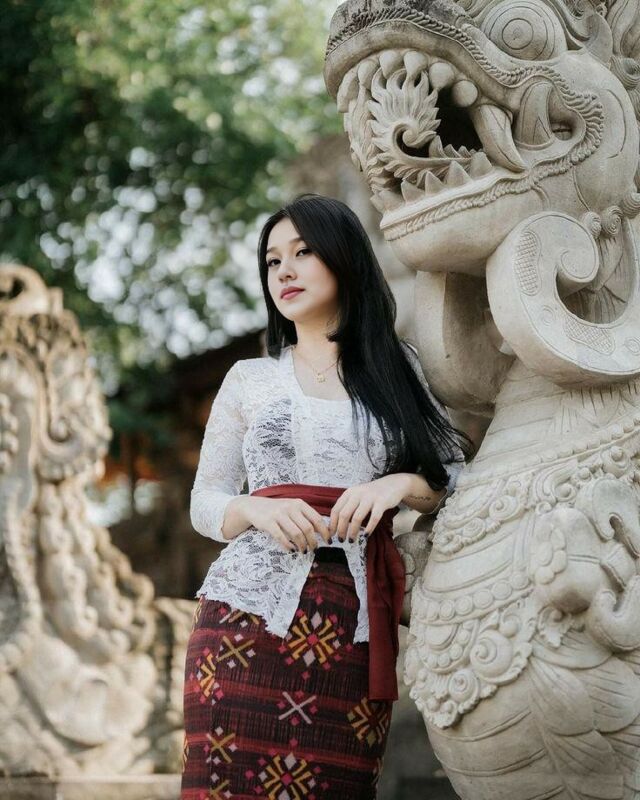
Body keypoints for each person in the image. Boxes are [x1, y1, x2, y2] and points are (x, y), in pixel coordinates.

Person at [180, 193, 472, 799]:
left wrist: (399, 484)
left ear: (344, 259)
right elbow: (205, 500)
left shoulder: (398, 371)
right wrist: (256, 507)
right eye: (272, 261)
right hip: (243, 620)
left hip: (355, 626)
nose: (283, 272)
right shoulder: (250, 380)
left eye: (303, 253)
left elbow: (454, 476)